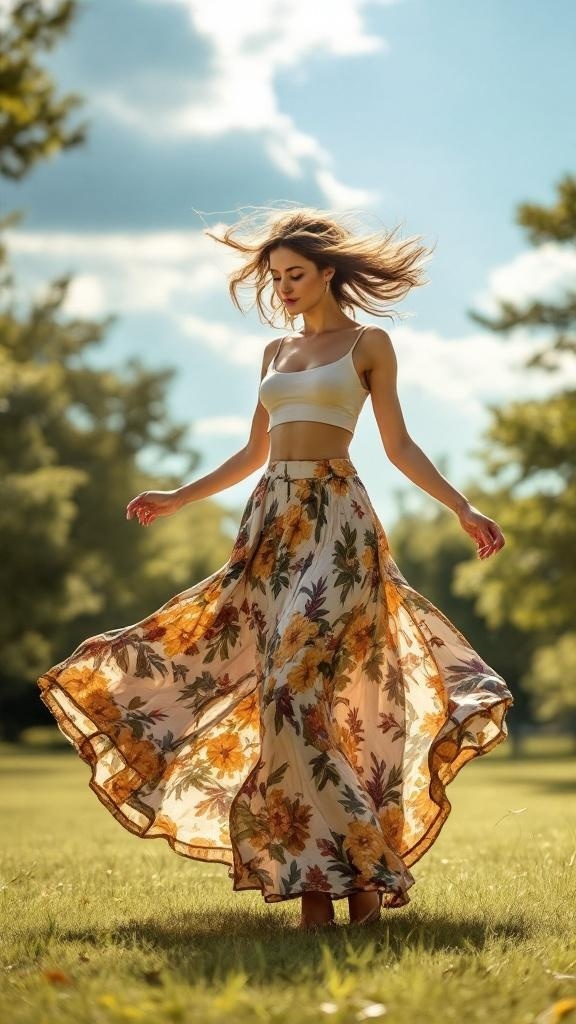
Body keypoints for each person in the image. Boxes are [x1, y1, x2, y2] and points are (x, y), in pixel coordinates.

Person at [37, 206, 514, 931]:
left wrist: (463, 507)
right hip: (270, 527)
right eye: (276, 277)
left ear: (328, 272)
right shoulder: (273, 354)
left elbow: (399, 445)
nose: (284, 287)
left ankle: (356, 872)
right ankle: (329, 890)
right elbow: (253, 453)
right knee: (275, 697)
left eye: (296, 274)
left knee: (292, 690)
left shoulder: (368, 343)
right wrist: (178, 495)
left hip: (338, 524)